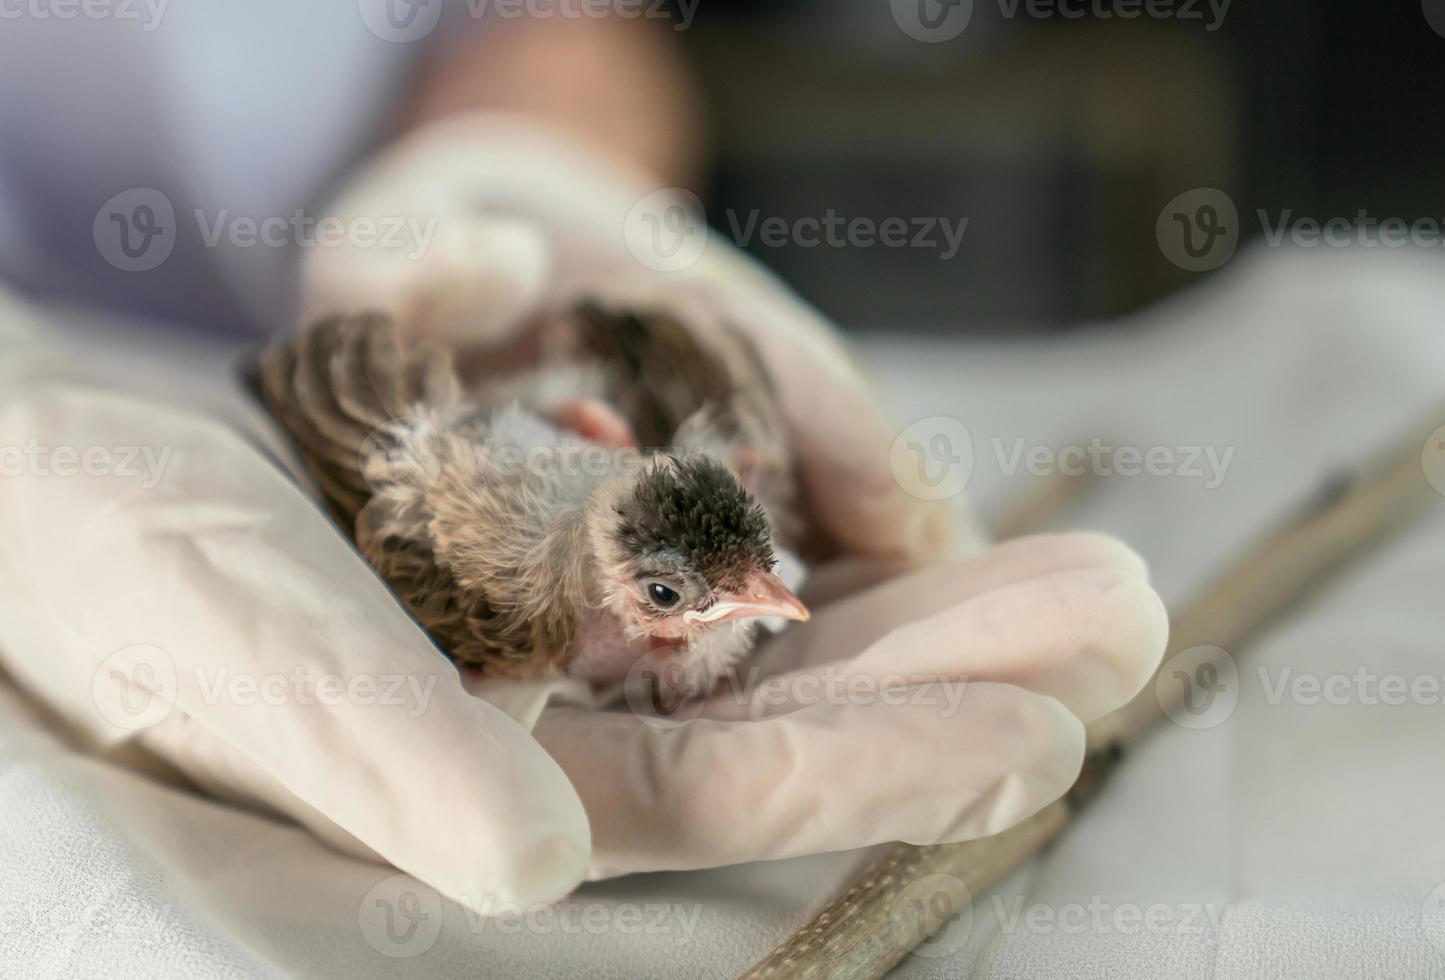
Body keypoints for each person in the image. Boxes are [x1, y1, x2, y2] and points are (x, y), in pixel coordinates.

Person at [0, 8, 1167, 909]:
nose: (757, 601)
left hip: (410, 312)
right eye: (672, 592)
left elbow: (553, 22)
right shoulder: (515, 599)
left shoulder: (637, 496)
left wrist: (514, 167)